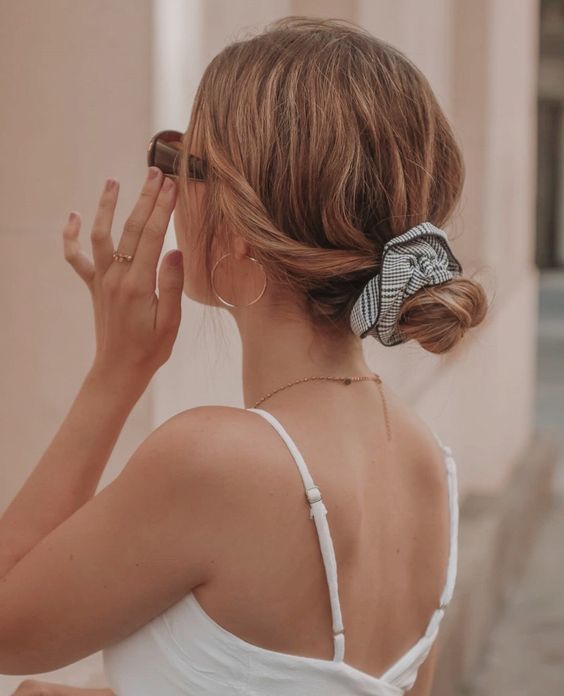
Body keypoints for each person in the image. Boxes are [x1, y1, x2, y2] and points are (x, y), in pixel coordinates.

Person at [3, 15, 488, 696]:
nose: (167, 187)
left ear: (239, 228)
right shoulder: (427, 464)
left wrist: (116, 372)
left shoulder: (216, 462)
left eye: (182, 162)